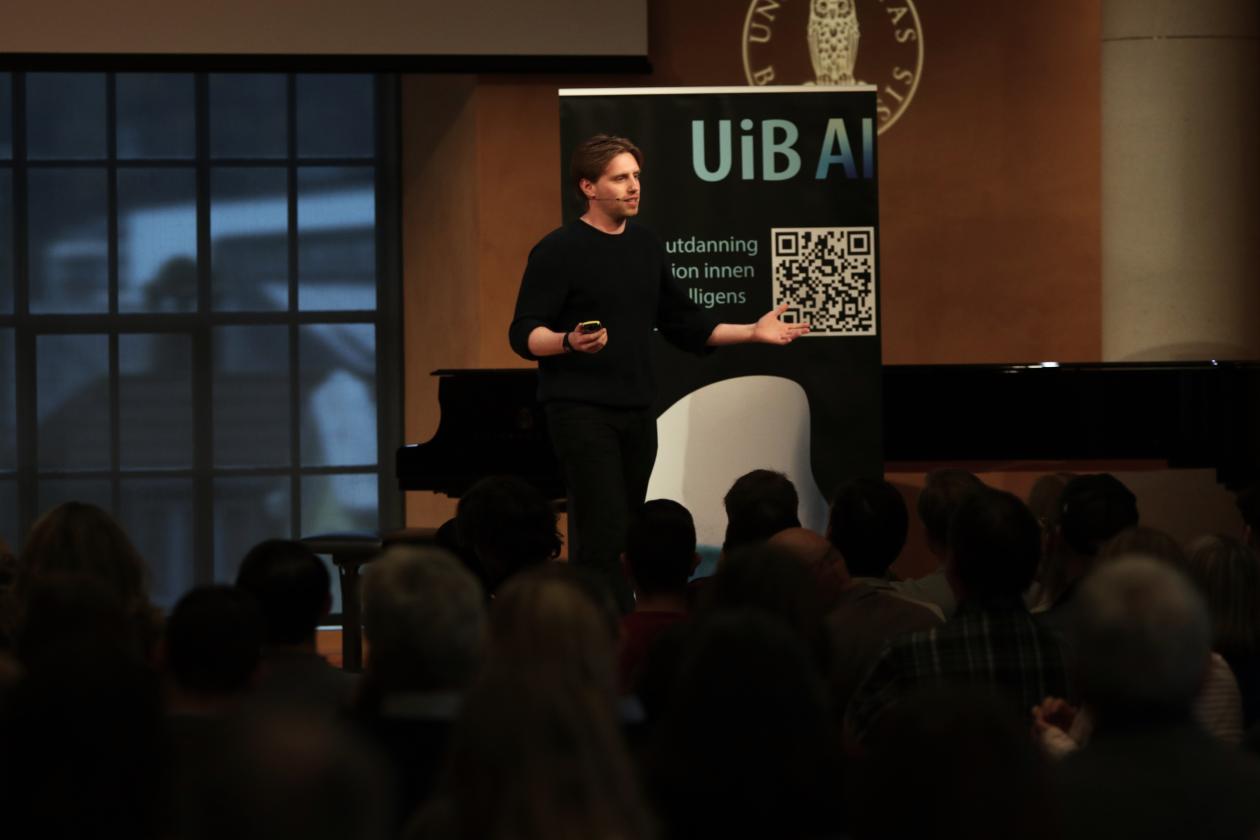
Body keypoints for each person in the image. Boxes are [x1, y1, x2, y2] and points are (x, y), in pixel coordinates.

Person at [508, 134, 809, 609]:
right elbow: (524, 334)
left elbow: (685, 323)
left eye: (636, 177)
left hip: (636, 410)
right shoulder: (559, 249)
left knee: (628, 529)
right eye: (620, 178)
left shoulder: (645, 245)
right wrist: (568, 342)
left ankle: (629, 627)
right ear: (588, 186)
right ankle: (603, 636)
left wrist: (753, 331)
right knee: (603, 531)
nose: (633, 187)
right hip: (581, 411)